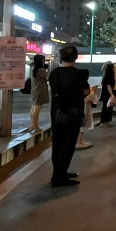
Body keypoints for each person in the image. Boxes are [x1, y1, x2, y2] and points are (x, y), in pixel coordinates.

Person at [48, 46, 90, 188]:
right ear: (76, 57)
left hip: (57, 113)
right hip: (73, 113)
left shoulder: (54, 73)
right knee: (68, 145)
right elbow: (86, 91)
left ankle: (59, 173)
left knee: (58, 144)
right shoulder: (79, 74)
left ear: (60, 57)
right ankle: (59, 178)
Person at [75, 69, 96, 150]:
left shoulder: (73, 83)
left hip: (73, 108)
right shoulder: (84, 84)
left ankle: (77, 141)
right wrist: (93, 91)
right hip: (81, 108)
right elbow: (87, 98)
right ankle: (79, 142)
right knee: (81, 125)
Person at [28, 54, 50, 133]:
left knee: (34, 107)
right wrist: (48, 70)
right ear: (41, 60)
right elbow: (48, 78)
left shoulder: (33, 68)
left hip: (35, 90)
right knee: (37, 108)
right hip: (40, 90)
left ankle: (32, 124)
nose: (44, 61)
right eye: (43, 59)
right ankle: (35, 125)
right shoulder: (41, 70)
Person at [98, 61, 116, 128]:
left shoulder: (105, 75)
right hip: (108, 94)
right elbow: (109, 86)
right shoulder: (109, 76)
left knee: (105, 107)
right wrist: (112, 94)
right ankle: (105, 122)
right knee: (108, 108)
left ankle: (102, 121)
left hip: (104, 93)